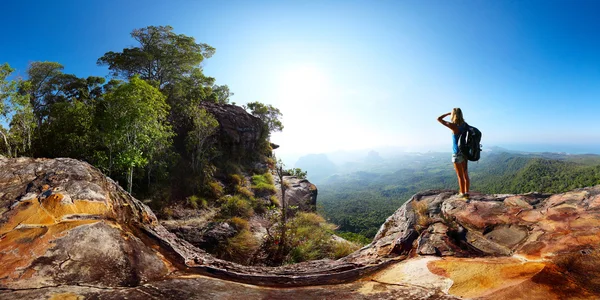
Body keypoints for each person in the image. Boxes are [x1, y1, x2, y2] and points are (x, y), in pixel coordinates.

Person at [437, 108, 470, 199]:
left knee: (460, 176)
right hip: (465, 153)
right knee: (466, 174)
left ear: (453, 115)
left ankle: (462, 193)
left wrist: (448, 113)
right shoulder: (465, 125)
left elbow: (439, 119)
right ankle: (467, 193)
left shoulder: (453, 126)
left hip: (457, 154)